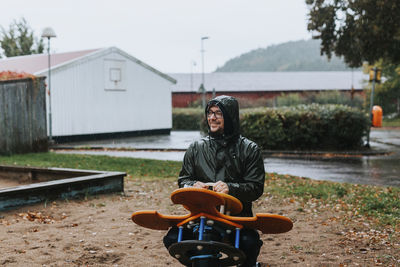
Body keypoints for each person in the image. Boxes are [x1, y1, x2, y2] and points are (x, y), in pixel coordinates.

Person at [164, 95, 265, 267]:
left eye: (218, 113)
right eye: (210, 113)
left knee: (249, 242)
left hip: (236, 217)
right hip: (199, 216)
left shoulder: (249, 149)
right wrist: (191, 185)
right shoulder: (196, 148)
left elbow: (255, 187)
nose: (212, 118)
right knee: (172, 238)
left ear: (230, 117)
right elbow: (184, 179)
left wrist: (230, 188)